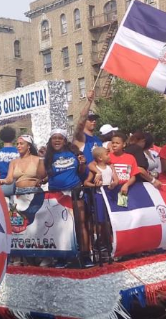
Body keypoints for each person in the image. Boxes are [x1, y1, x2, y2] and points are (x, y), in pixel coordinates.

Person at [44, 129, 90, 267]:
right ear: (50, 141)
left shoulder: (74, 153)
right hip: (56, 194)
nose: (57, 140)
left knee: (80, 223)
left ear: (64, 140)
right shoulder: (47, 156)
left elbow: (81, 172)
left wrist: (82, 164)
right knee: (59, 226)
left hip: (75, 190)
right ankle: (62, 257)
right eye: (54, 138)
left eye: (60, 138)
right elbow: (44, 175)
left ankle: (86, 255)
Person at [72, 91, 102, 173]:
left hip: (99, 180)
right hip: (85, 182)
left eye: (95, 119)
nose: (94, 121)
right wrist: (89, 101)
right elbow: (81, 121)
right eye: (90, 119)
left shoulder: (97, 139)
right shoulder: (80, 137)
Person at [0, 126, 20, 195]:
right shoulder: (20, 153)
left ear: (1, 138)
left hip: (4, 186)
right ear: (14, 137)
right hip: (19, 186)